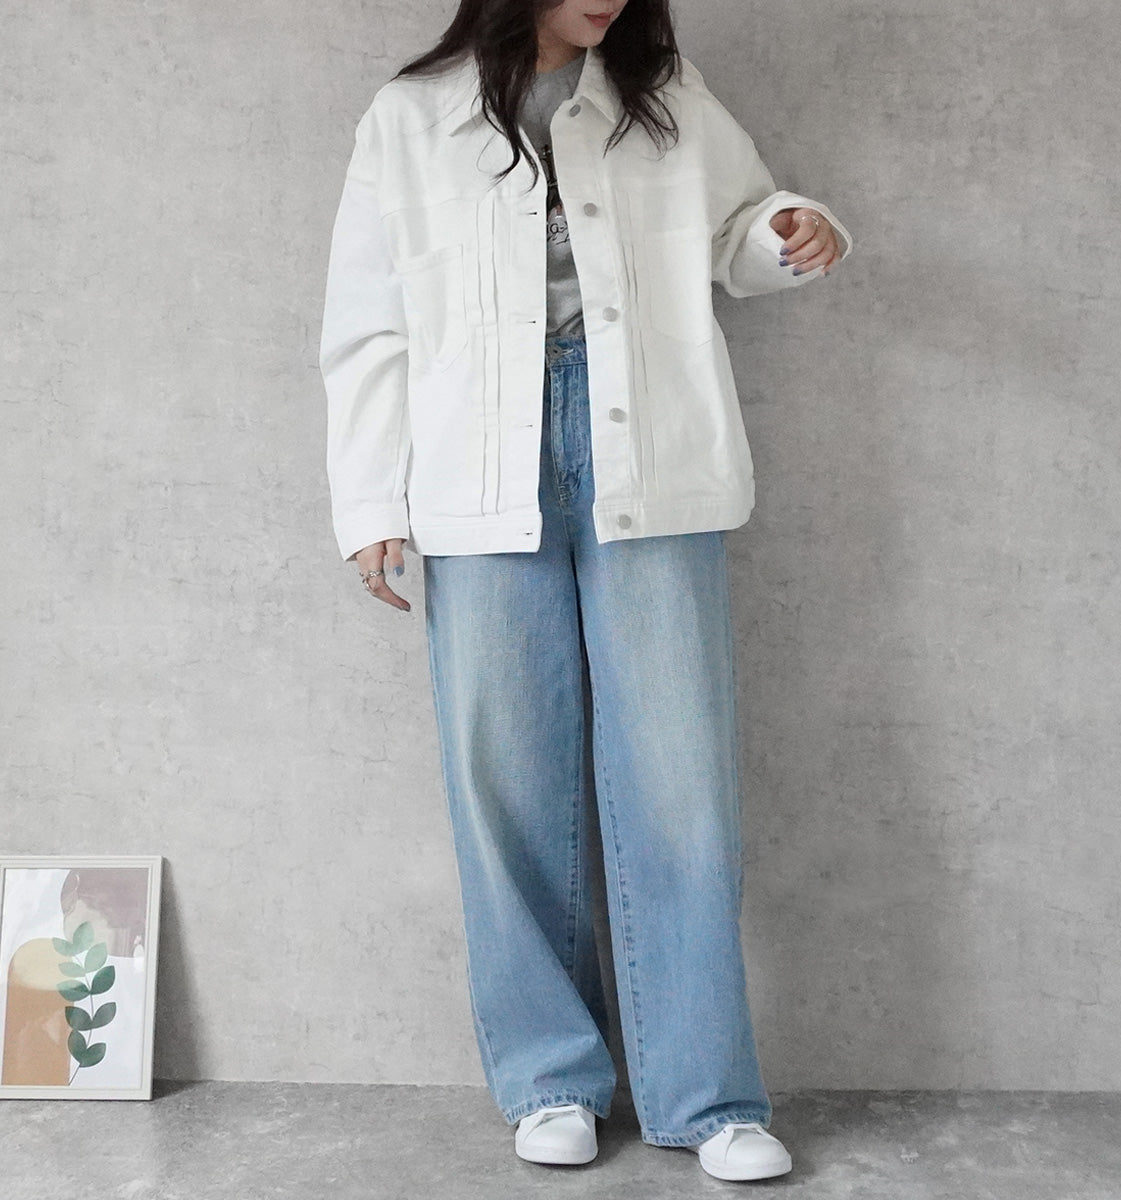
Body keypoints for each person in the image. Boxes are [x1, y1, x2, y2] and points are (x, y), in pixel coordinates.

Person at [319, 0, 852, 1182]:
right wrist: (370, 504)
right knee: (506, 779)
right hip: (475, 463)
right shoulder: (410, 115)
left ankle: (708, 1096)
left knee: (681, 778)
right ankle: (551, 1079)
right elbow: (368, 325)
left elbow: (738, 227)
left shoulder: (663, 95)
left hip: (647, 450)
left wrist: (789, 231)